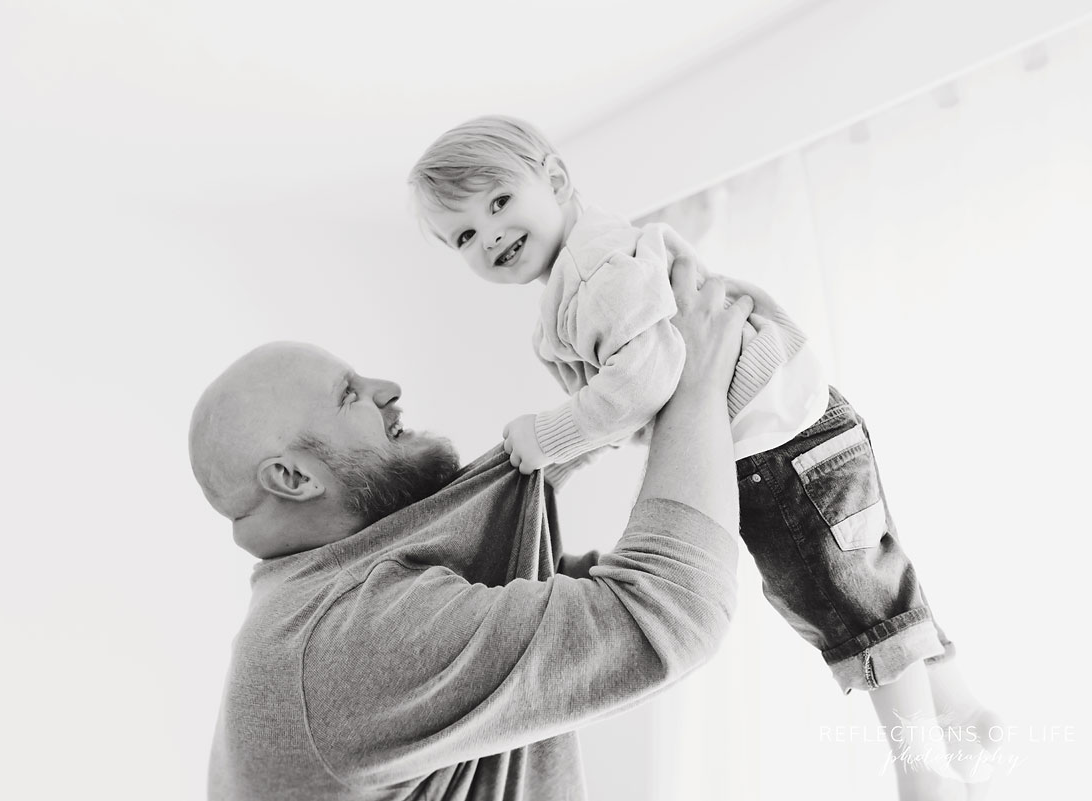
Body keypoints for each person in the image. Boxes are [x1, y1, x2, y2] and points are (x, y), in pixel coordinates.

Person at [408, 115, 999, 800]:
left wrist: (551, 434)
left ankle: (921, 766)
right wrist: (566, 454)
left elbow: (646, 381)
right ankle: (956, 705)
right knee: (874, 575)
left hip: (772, 451)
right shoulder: (603, 260)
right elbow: (638, 394)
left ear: (557, 180)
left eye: (499, 202)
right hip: (807, 424)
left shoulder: (595, 274)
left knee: (842, 600)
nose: (491, 236)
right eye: (465, 237)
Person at [189, 259, 754, 800]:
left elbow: (508, 545)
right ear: (292, 477)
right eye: (349, 395)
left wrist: (609, 407)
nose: (387, 388)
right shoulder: (344, 641)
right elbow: (671, 610)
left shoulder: (337, 584)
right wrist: (696, 382)